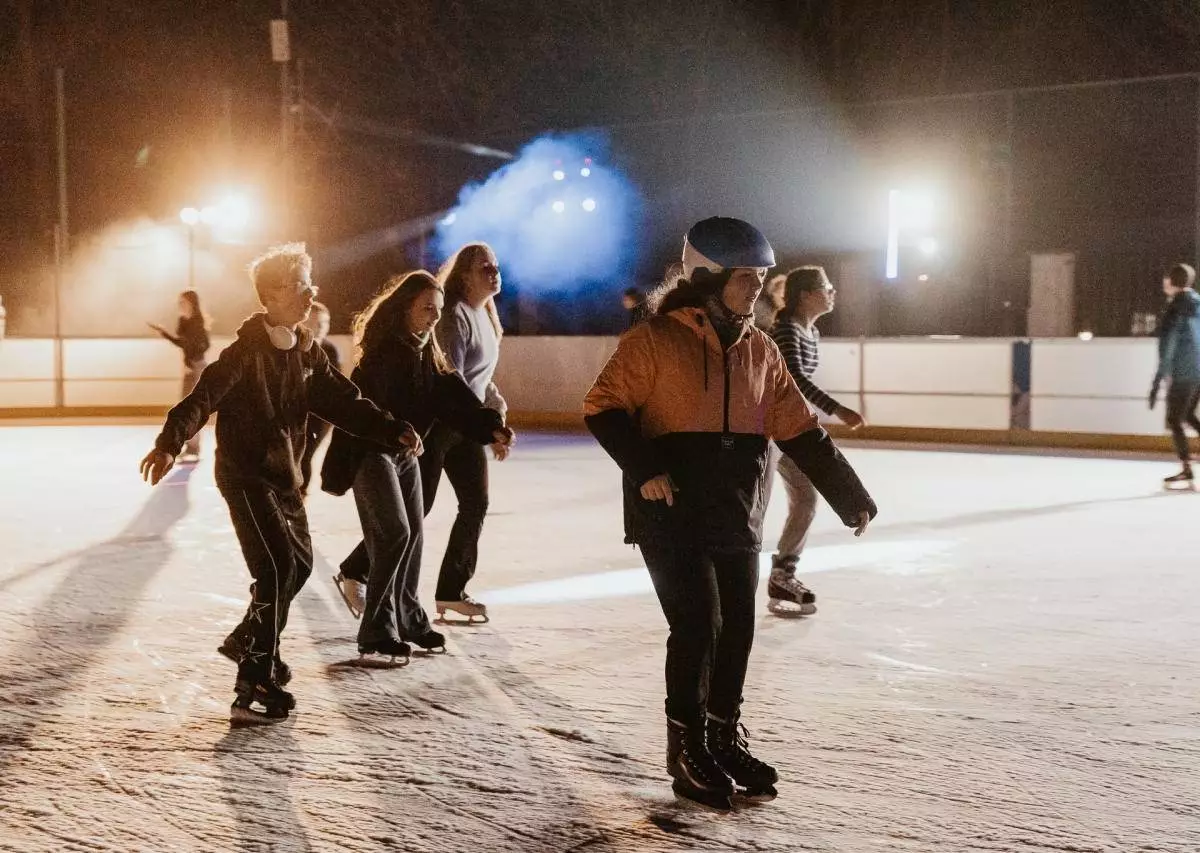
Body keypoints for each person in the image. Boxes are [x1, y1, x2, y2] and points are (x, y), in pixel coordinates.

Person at [583, 217, 877, 810]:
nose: (759, 288)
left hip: (737, 510)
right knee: (698, 627)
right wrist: (646, 469)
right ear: (708, 277)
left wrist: (849, 494)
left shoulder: (760, 349)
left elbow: (799, 428)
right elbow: (603, 407)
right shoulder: (654, 340)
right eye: (748, 277)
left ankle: (722, 736)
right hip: (669, 510)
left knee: (737, 629)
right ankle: (687, 746)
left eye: (763, 277)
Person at [138, 243, 419, 725]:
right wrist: (169, 443)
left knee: (301, 566)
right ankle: (254, 681)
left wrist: (391, 427)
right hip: (246, 477)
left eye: (310, 282)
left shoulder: (306, 350)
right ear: (271, 294)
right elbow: (202, 398)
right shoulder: (244, 353)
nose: (311, 293)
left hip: (285, 477)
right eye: (300, 285)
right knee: (275, 569)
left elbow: (344, 401)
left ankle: (248, 639)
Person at [320, 272, 512, 660]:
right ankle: (376, 629)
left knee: (414, 535)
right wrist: (397, 433)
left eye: (438, 310)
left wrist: (491, 426)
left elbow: (453, 396)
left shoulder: (425, 351)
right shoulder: (385, 355)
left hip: (405, 455)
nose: (434, 317)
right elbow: (370, 410)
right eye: (426, 308)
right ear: (404, 308)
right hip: (370, 452)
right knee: (394, 534)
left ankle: (409, 619)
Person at [765, 266, 866, 616]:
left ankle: (782, 574)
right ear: (807, 294)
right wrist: (837, 409)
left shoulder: (811, 330)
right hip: (763, 430)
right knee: (751, 508)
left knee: (806, 500)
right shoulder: (784, 329)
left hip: (791, 429)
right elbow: (792, 379)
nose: (833, 293)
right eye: (827, 288)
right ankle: (725, 578)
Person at [1150, 262, 1200, 484]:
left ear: (1171, 282)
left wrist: (1158, 378)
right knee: (1187, 414)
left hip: (1184, 371)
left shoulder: (1176, 308)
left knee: (1174, 419)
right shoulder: (1197, 303)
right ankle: (1187, 469)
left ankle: (1186, 469)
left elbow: (1168, 344)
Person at [148, 290, 211, 462]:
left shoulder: (197, 322)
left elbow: (205, 345)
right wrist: (164, 333)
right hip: (189, 367)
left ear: (192, 303)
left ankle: (193, 448)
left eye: (183, 302)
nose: (180, 305)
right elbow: (182, 343)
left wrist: (192, 361)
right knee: (186, 407)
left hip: (196, 367)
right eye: (179, 302)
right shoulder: (184, 321)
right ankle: (191, 447)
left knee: (192, 409)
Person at [299, 302, 341, 496]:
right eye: (314, 323)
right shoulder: (293, 346)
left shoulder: (329, 350)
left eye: (324, 323)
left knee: (306, 454)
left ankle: (300, 494)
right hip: (297, 410)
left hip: (321, 414)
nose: (319, 328)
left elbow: (337, 385)